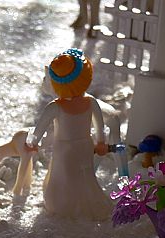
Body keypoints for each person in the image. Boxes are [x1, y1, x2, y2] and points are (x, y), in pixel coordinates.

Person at [27, 48, 112, 220]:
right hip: (85, 145)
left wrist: (32, 143)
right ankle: (85, 203)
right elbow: (100, 126)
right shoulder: (91, 102)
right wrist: (101, 142)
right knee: (84, 175)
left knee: (63, 175)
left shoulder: (55, 106)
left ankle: (62, 205)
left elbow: (39, 129)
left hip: (64, 148)